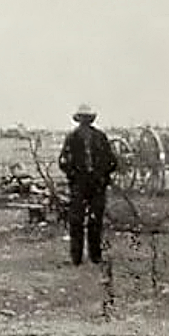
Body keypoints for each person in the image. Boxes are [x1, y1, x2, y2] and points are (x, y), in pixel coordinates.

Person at [58, 104, 117, 265]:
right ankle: (76, 257)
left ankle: (95, 255)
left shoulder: (100, 137)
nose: (85, 121)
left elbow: (112, 161)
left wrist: (103, 176)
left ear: (91, 120)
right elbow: (63, 161)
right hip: (79, 185)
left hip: (97, 185)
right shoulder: (72, 138)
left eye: (87, 118)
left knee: (95, 220)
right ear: (79, 120)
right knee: (76, 221)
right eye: (82, 118)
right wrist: (73, 175)